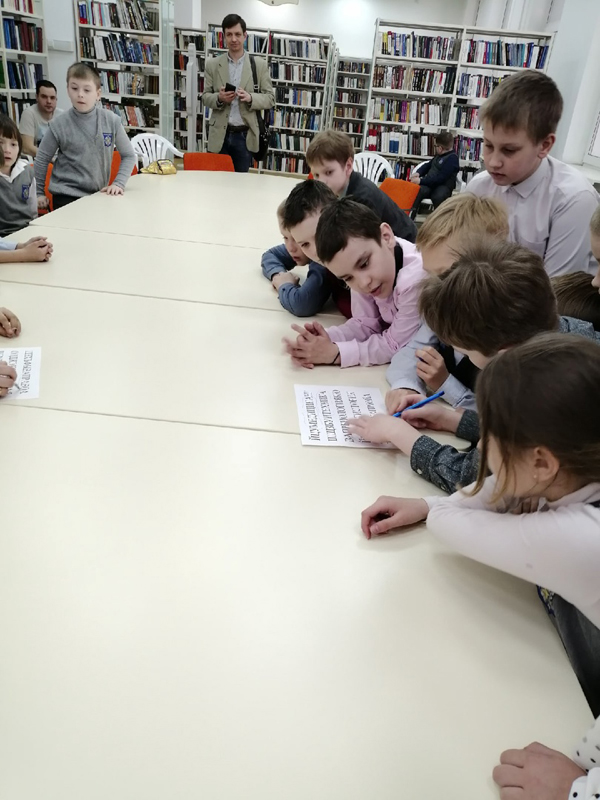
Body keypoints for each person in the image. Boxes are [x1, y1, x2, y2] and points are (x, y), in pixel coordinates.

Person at [360, 334, 600, 721]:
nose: (482, 444)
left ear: (542, 463)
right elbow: (466, 504)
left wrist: (583, 767)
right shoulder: (570, 477)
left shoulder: (582, 536)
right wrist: (428, 504)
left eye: (492, 435)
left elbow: (450, 523)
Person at [348, 239, 600, 494]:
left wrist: (397, 433)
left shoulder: (532, 386)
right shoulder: (567, 337)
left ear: (503, 355)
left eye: (466, 352)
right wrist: (452, 419)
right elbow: (521, 437)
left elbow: (471, 479)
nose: (465, 358)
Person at [466, 70, 599, 277]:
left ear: (544, 145)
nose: (492, 162)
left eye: (509, 150)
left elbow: (556, 289)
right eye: (488, 145)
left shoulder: (574, 200)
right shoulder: (478, 187)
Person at [386, 193, 509, 414]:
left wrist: (445, 384)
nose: (435, 288)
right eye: (429, 275)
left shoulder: (507, 332)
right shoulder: (441, 304)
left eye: (445, 275)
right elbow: (412, 350)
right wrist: (406, 386)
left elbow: (504, 417)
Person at [283, 197, 425, 369]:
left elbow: (394, 344)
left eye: (364, 264)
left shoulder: (415, 280)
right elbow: (365, 323)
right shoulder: (356, 263)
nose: (363, 283)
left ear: (386, 237)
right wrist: (323, 338)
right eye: (348, 278)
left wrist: (335, 354)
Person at [34, 62, 136, 211]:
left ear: (98, 94)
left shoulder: (111, 121)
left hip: (98, 196)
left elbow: (129, 155)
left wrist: (118, 183)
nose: (80, 94)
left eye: (87, 90)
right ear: (67, 90)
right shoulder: (58, 124)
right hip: (65, 197)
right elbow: (42, 159)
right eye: (74, 88)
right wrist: (38, 193)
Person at [305, 129, 417, 242]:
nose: (321, 181)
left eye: (329, 172)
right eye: (316, 175)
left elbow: (360, 244)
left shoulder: (362, 199)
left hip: (404, 245)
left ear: (348, 166)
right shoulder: (339, 189)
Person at [202, 13, 274, 173]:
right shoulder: (212, 65)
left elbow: (270, 98)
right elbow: (205, 97)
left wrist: (251, 98)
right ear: (223, 36)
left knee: (241, 183)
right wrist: (219, 98)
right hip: (219, 134)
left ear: (245, 35)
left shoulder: (259, 65)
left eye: (237, 34)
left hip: (244, 136)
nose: (233, 39)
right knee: (216, 182)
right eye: (229, 34)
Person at [261, 199, 351, 318]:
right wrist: (278, 275)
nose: (291, 248)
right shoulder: (302, 248)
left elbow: (302, 304)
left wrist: (284, 284)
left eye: (296, 239)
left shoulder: (321, 259)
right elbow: (270, 255)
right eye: (285, 238)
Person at [0, 115, 39, 236]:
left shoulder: (26, 171)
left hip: (27, 230)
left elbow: (33, 209)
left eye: (13, 144)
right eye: (1, 143)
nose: (7, 150)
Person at [409, 131, 460, 219]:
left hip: (443, 186)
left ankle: (439, 221)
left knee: (438, 197)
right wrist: (418, 173)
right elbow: (428, 165)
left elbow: (440, 178)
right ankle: (409, 218)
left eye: (435, 146)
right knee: (417, 191)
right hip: (430, 184)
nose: (435, 148)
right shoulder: (439, 156)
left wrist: (421, 181)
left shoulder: (452, 159)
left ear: (440, 148)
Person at [19, 80, 63, 157]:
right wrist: (52, 159)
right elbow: (27, 147)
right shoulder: (29, 113)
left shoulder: (62, 115)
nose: (49, 101)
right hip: (38, 160)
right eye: (44, 97)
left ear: (56, 99)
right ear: (37, 97)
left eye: (52, 98)